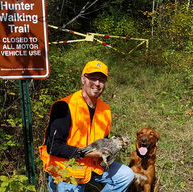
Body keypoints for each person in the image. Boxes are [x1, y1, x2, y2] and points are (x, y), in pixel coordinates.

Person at [39, 60, 134, 192]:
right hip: (67, 169)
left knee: (126, 175)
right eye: (93, 78)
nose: (97, 84)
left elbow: (100, 139)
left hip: (92, 166)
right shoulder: (65, 106)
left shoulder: (105, 109)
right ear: (83, 79)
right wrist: (88, 153)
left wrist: (112, 144)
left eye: (101, 80)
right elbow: (53, 147)